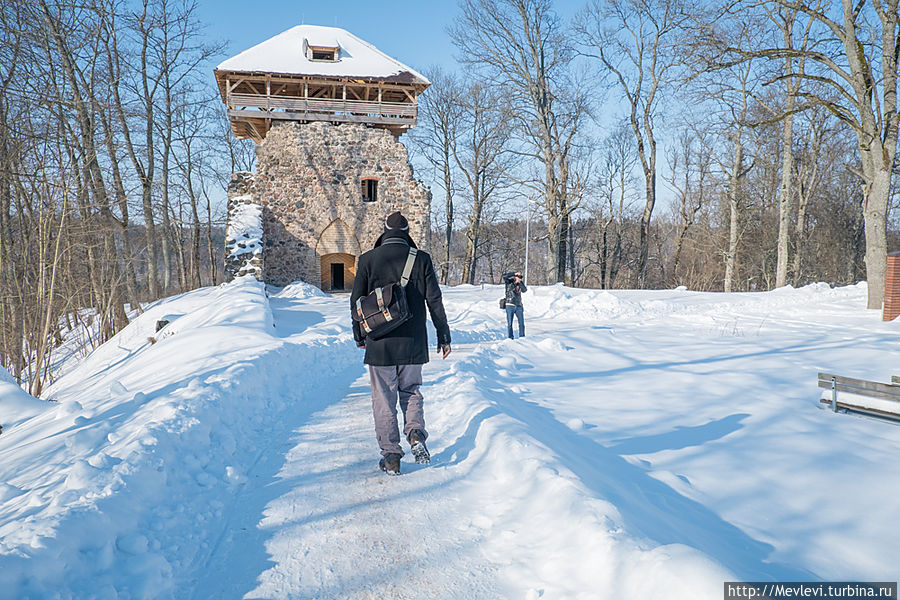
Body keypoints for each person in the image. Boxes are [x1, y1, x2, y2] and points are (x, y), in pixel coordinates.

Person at [350, 211, 452, 476]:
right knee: (412, 390)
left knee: (383, 398)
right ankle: (416, 433)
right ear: (408, 233)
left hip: (380, 341)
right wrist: (443, 335)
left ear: (384, 232)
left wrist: (359, 335)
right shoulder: (422, 259)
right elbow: (435, 300)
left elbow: (356, 302)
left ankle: (392, 456)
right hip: (413, 341)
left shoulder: (367, 259)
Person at [503, 271, 527, 339]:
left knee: (521, 323)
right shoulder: (509, 282)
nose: (520, 278)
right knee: (510, 323)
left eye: (520, 277)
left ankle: (522, 337)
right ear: (515, 277)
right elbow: (504, 276)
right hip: (510, 304)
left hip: (518, 305)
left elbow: (524, 290)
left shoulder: (520, 284)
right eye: (518, 277)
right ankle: (510, 337)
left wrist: (520, 283)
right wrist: (514, 274)